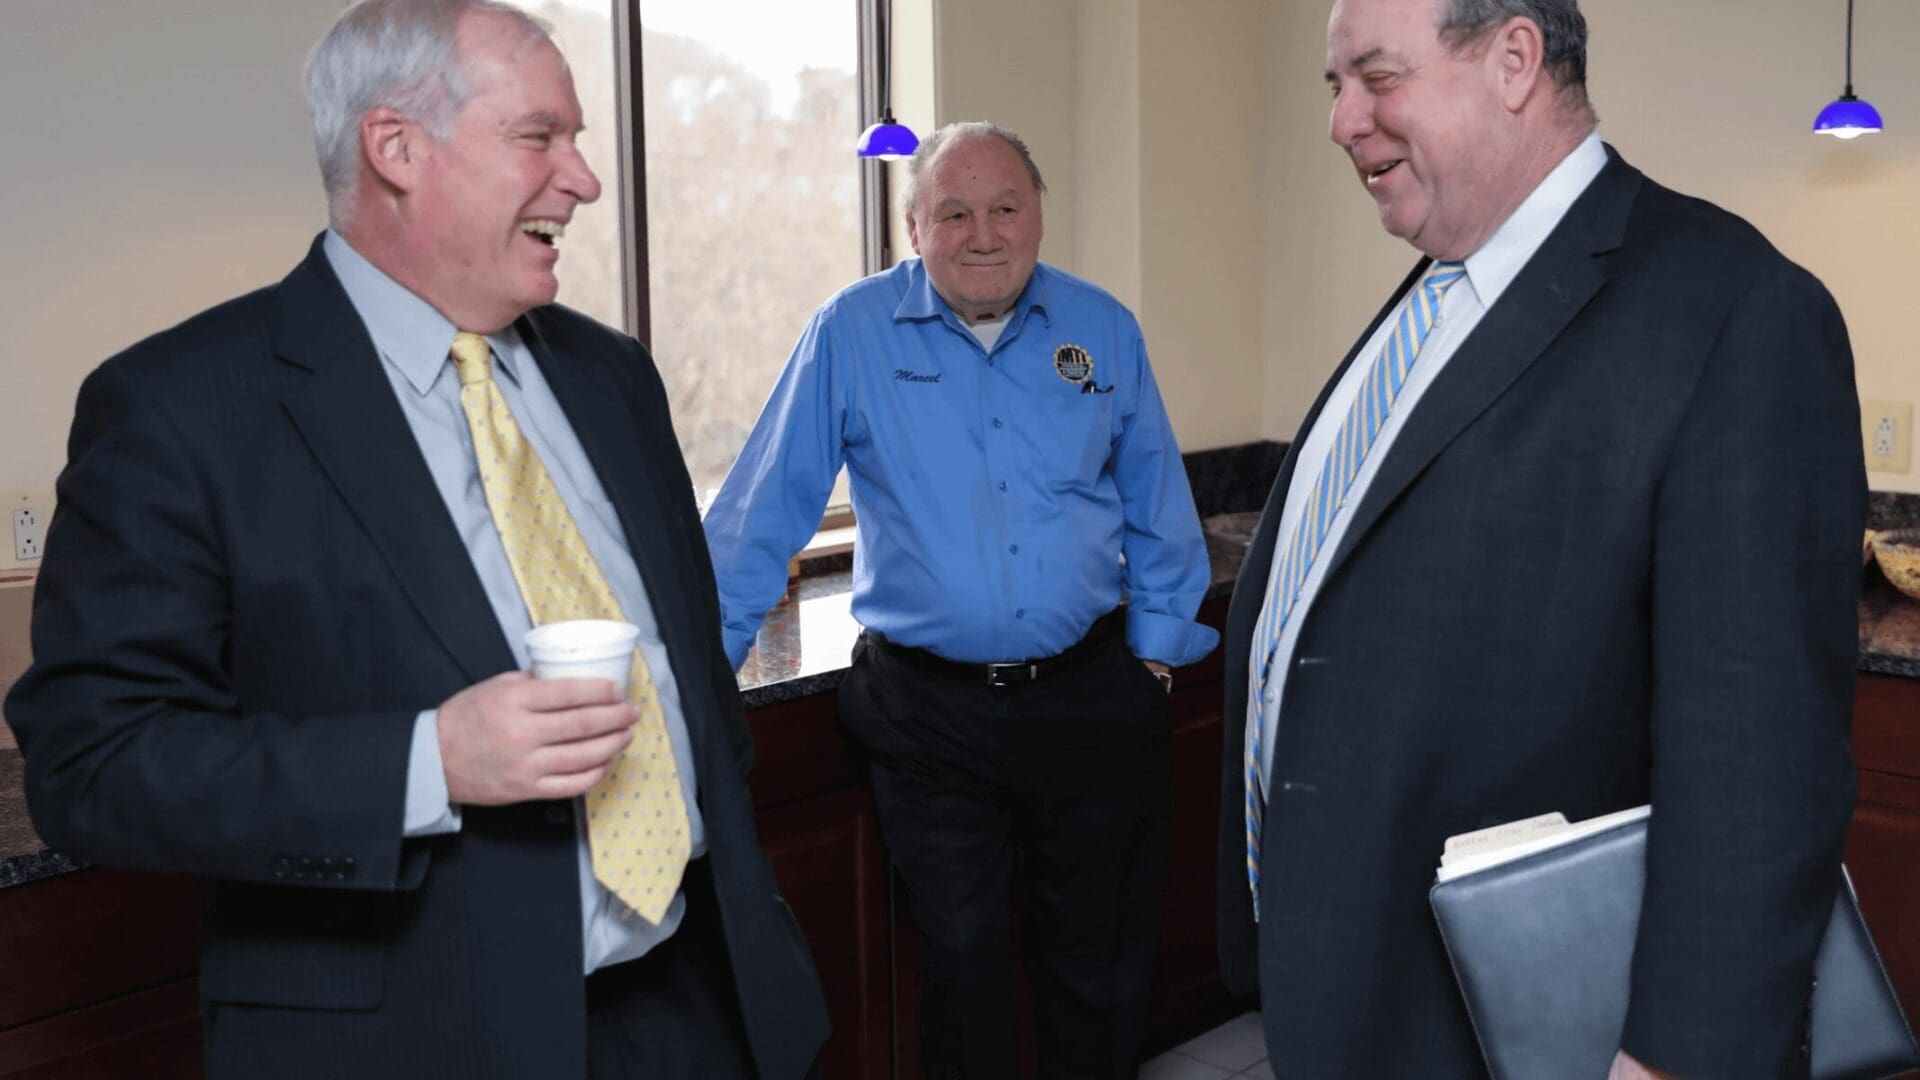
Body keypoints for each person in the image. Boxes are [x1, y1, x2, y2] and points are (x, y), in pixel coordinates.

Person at [3, 1, 827, 1076]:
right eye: (540, 137)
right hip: (414, 1037)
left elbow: (694, 691)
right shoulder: (180, 410)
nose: (583, 179)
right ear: (396, 148)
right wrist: (426, 764)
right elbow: (91, 766)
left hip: (696, 1006)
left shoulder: (612, 376)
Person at [1215, 0, 1864, 1077]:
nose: (1342, 121)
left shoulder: (1735, 310)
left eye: (1376, 77)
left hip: (1530, 1032)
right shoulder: (1439, 292)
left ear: (1514, 59)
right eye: (1335, 87)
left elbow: (1762, 767)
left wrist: (1673, 1060)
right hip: (1356, 991)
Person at [702, 121, 1218, 1078]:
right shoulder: (849, 333)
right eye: (955, 213)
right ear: (915, 227)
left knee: (1097, 964)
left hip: (1089, 700)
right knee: (963, 964)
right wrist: (694, 688)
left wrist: (1152, 659)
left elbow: (1156, 501)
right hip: (927, 717)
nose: (984, 233)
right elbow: (758, 516)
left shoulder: (1101, 328)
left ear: (1037, 215)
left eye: (1005, 208)